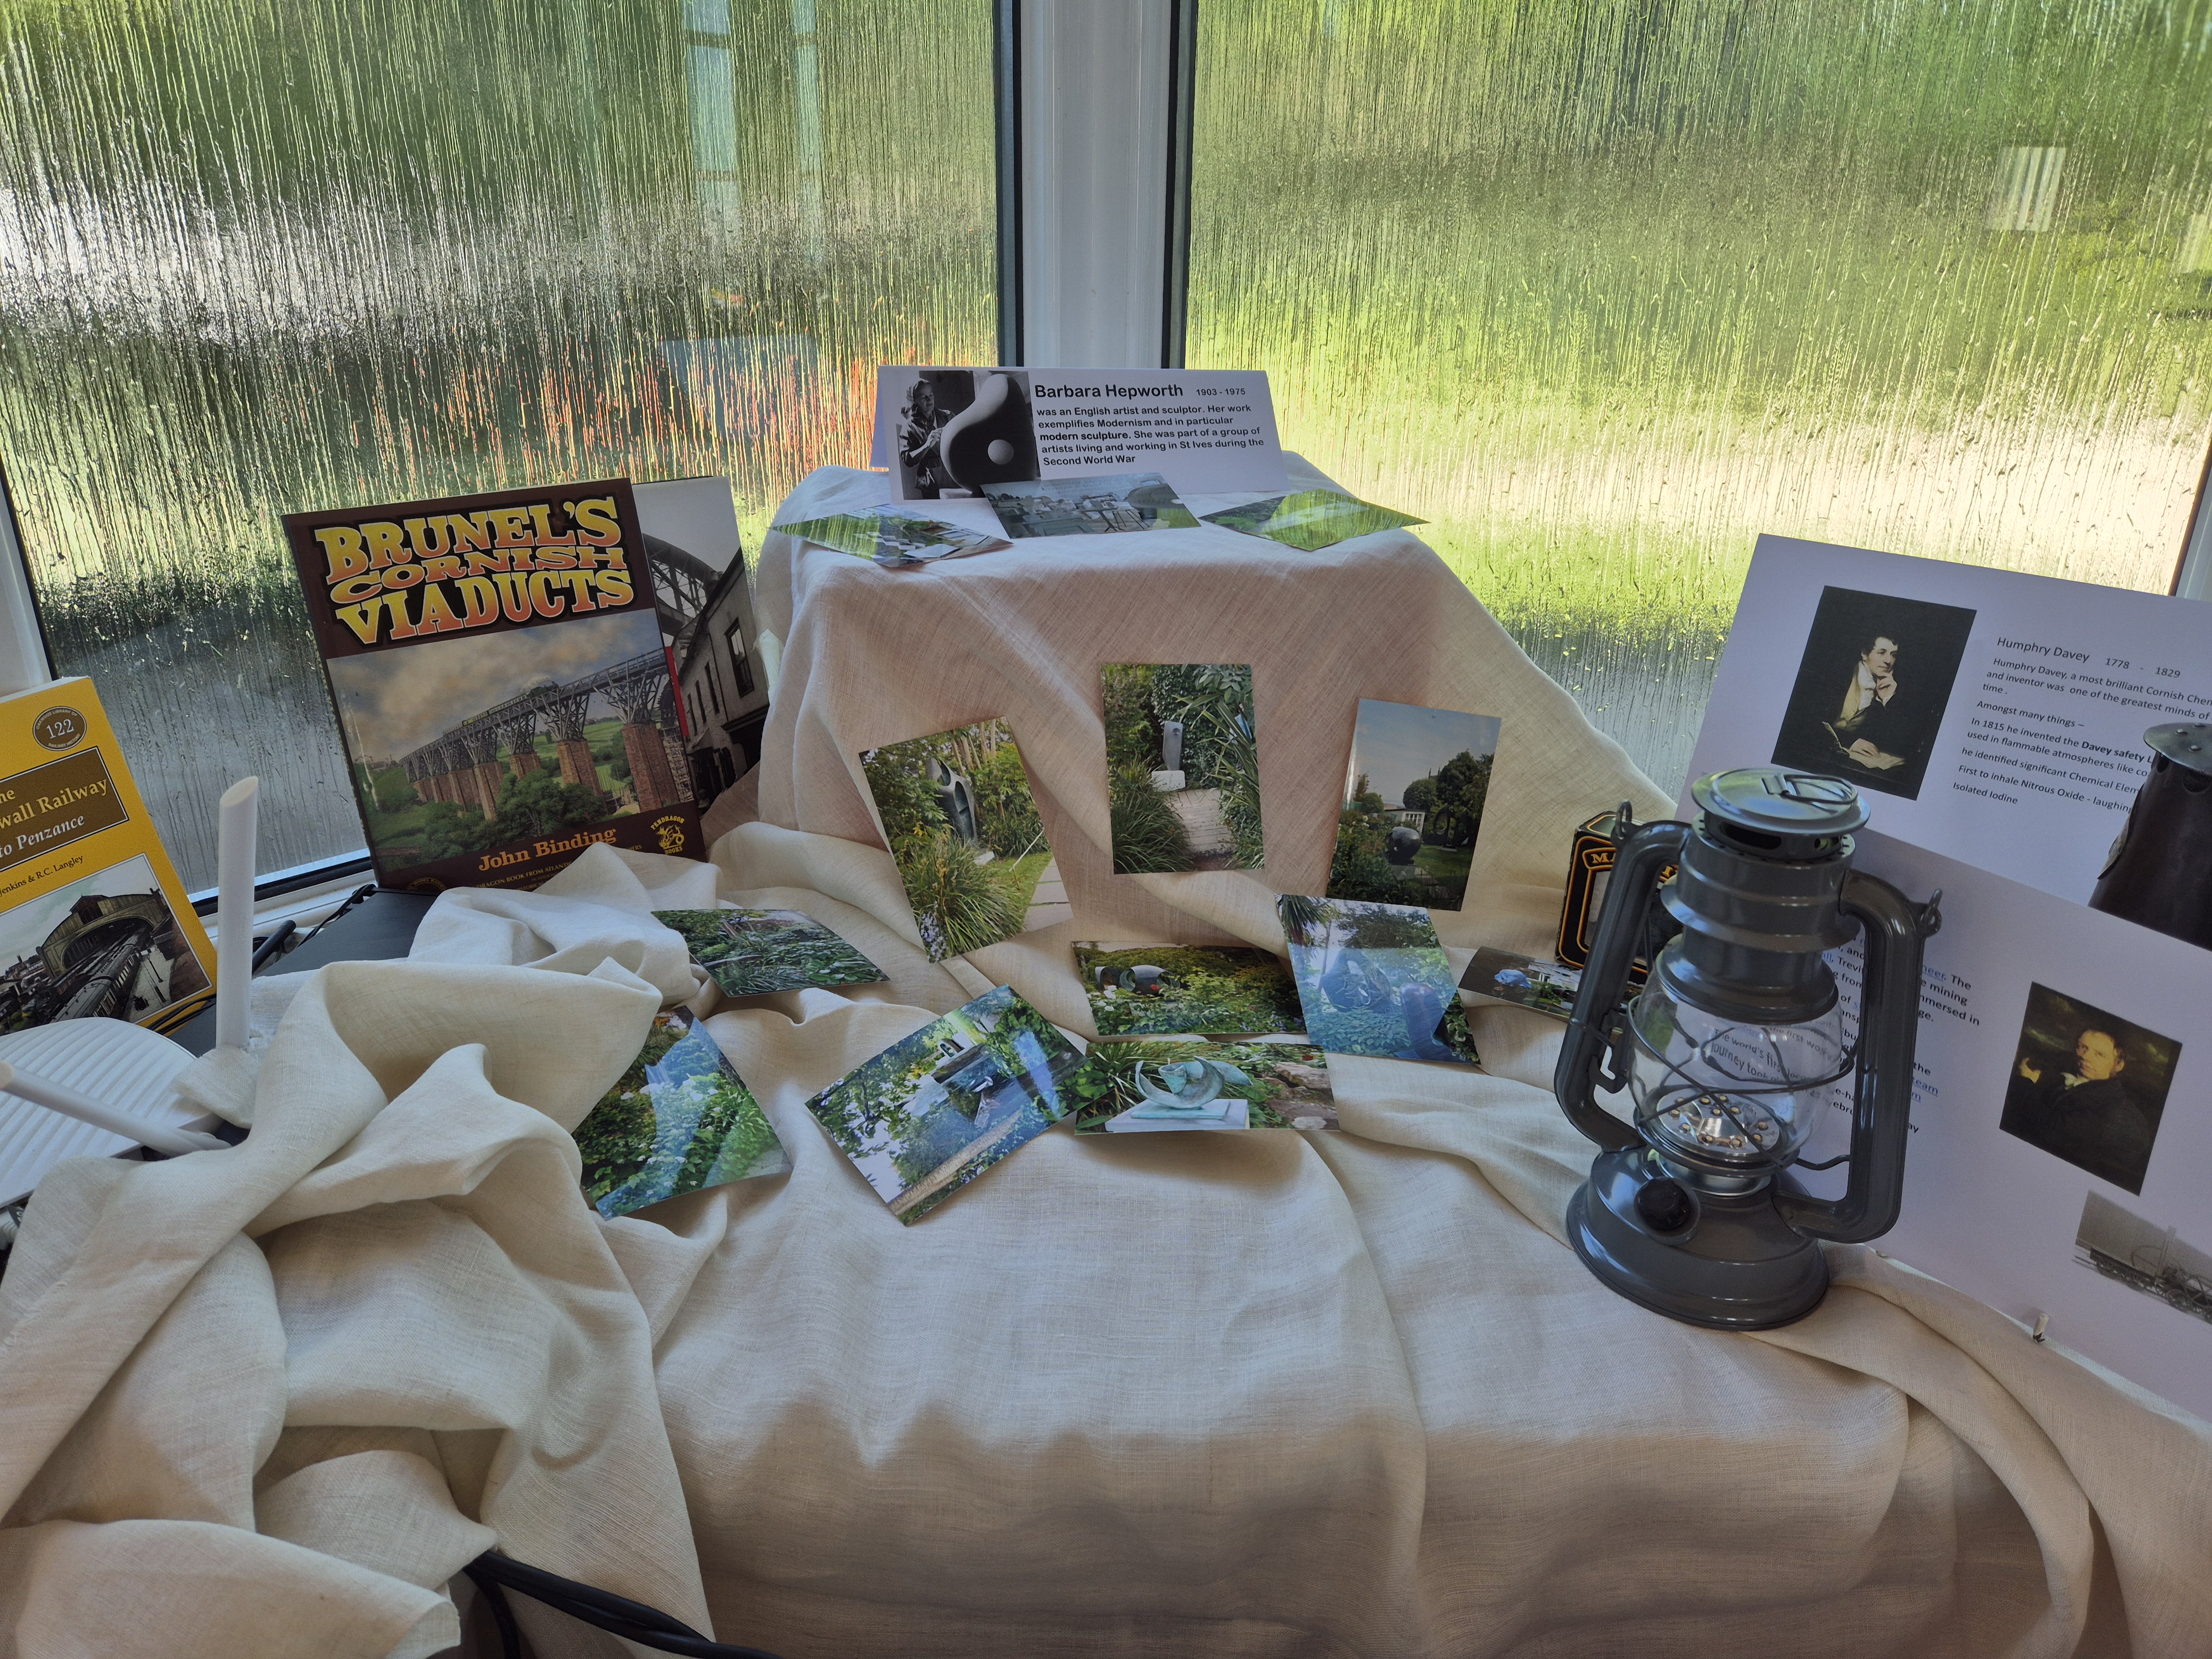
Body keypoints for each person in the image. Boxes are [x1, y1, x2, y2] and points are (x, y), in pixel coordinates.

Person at [1999, 1025, 2161, 1191]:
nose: (2085, 1056)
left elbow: (2050, 1130)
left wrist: (2024, 1083)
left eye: (2099, 1054)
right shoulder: (2066, 1082)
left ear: (2118, 1065)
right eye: (2083, 1047)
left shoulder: (2113, 1110)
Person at [1827, 632, 1912, 771]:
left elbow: (1896, 742)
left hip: (1852, 763)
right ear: (1865, 654)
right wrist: (1851, 741)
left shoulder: (1892, 686)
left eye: (1893, 655)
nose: (1889, 661)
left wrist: (1887, 700)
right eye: (1882, 653)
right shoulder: (1839, 674)